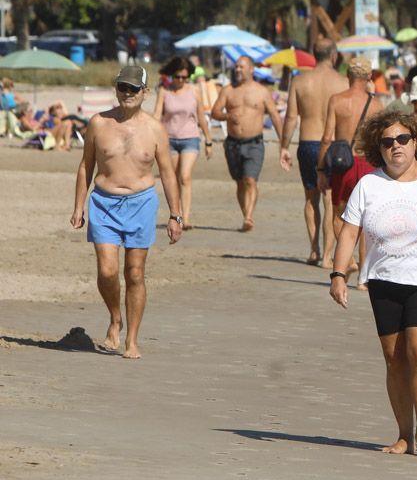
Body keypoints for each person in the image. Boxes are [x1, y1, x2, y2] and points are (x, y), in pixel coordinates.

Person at [328, 110, 417, 456]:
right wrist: (338, 274)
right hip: (383, 281)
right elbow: (349, 231)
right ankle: (404, 435)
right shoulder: (369, 185)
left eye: (403, 139)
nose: (396, 146)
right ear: (378, 147)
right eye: (387, 141)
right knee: (395, 359)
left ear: (416, 142)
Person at [70, 66, 183, 359]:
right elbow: (86, 166)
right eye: (123, 87)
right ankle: (115, 318)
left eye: (134, 89)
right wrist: (78, 205)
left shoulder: (155, 128)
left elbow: (168, 174)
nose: (128, 93)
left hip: (141, 204)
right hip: (103, 203)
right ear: (116, 89)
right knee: (107, 271)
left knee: (134, 273)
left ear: (146, 92)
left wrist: (176, 215)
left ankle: (132, 339)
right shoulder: (98, 123)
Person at [279, 38, 348, 267]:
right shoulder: (343, 82)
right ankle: (328, 256)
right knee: (330, 200)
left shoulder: (299, 81)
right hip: (333, 145)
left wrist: (283, 146)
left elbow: (290, 118)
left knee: (310, 198)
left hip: (307, 143)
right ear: (334, 56)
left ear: (312, 54)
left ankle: (314, 250)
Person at [317, 57, 385, 277]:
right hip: (368, 164)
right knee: (366, 221)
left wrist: (321, 169)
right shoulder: (376, 105)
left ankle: (351, 260)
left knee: (339, 215)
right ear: (368, 78)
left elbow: (327, 138)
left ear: (348, 76)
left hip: (343, 164)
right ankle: (364, 280)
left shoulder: (336, 100)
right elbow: (381, 139)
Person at [211, 55, 283, 232]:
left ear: (251, 69)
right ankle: (246, 214)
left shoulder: (262, 91)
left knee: (250, 180)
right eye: (236, 67)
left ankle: (249, 216)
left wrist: (284, 142)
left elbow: (274, 115)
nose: (237, 70)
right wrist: (228, 116)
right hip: (232, 144)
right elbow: (214, 112)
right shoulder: (228, 90)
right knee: (240, 182)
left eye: (241, 67)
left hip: (254, 143)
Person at [153, 57, 212, 230]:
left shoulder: (194, 91)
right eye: (178, 77)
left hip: (190, 138)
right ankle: (175, 214)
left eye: (185, 78)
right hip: (169, 139)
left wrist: (208, 140)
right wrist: (149, 132)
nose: (180, 81)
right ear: (172, 75)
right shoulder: (164, 91)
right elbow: (157, 114)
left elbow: (201, 116)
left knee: (185, 177)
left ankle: (185, 219)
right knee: (173, 178)